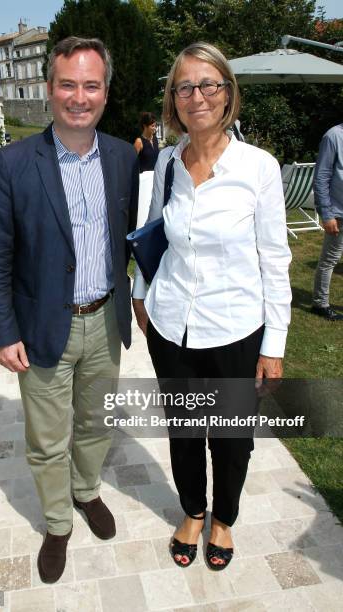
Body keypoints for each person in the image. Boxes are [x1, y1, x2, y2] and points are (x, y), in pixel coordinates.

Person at [0, 36, 139, 583]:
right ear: (50, 90)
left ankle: (87, 491)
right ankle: (55, 524)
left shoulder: (123, 156)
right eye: (67, 84)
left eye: (90, 85)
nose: (79, 96)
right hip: (44, 327)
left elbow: (130, 237)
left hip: (105, 319)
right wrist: (4, 332)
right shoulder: (13, 163)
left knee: (95, 425)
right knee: (48, 439)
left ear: (105, 92)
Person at [132, 41, 291, 571]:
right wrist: (139, 294)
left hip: (236, 328)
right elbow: (153, 236)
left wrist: (274, 344)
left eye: (208, 84)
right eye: (185, 86)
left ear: (227, 93)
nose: (196, 95)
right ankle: (193, 512)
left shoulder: (258, 167)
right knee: (183, 430)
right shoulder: (167, 162)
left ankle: (223, 518)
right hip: (171, 323)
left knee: (230, 437)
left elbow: (276, 258)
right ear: (173, 99)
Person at [311, 123, 343, 321]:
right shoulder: (333, 136)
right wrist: (326, 213)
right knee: (330, 259)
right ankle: (320, 303)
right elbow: (321, 177)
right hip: (338, 212)